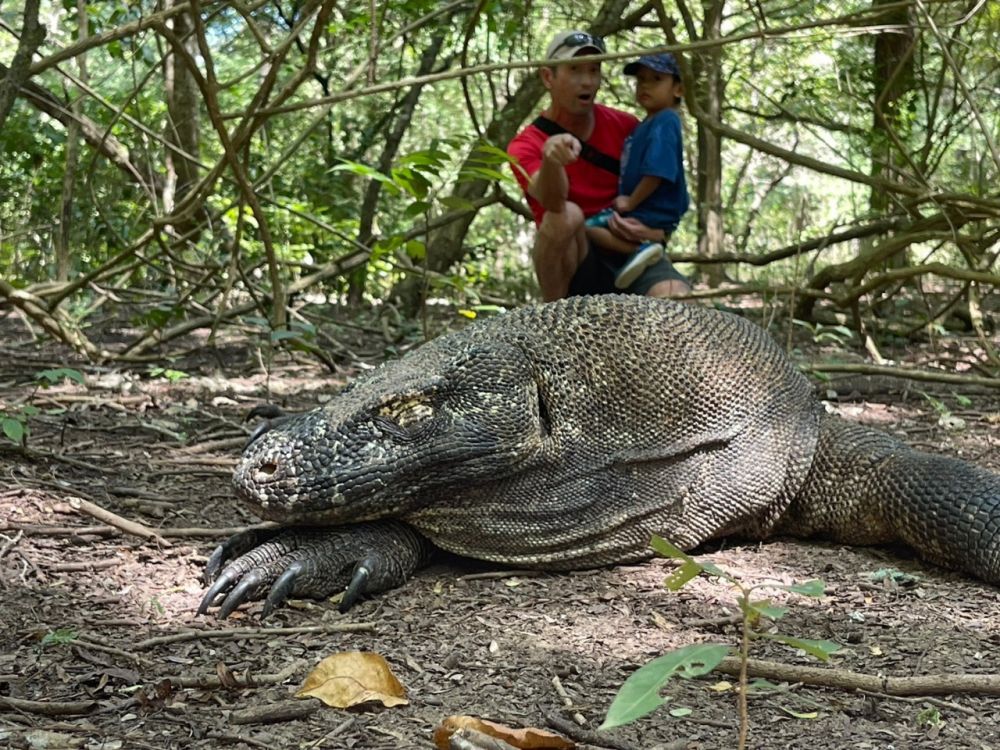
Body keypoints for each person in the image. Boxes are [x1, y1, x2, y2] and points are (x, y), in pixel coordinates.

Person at [507, 31, 690, 301]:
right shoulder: (526, 145)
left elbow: (662, 183)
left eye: (594, 70)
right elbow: (551, 202)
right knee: (566, 215)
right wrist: (551, 160)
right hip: (577, 259)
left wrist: (659, 232)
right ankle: (553, 320)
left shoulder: (627, 126)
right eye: (575, 70)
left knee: (677, 301)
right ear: (548, 77)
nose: (588, 81)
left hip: (635, 251)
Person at [584, 53, 690, 290]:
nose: (646, 85)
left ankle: (642, 248)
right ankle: (643, 247)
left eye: (656, 79)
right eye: (641, 79)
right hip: (643, 210)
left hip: (651, 210)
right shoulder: (646, 124)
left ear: (678, 89)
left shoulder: (666, 121)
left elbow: (657, 172)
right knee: (589, 228)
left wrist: (631, 202)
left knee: (587, 227)